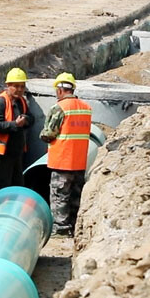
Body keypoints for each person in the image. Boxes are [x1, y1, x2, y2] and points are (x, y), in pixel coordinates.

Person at [39, 73, 92, 236]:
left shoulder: (59, 108)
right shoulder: (86, 108)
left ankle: (61, 229)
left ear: (60, 90)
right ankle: (75, 226)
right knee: (76, 195)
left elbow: (49, 133)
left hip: (62, 160)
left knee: (60, 195)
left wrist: (42, 135)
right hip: (80, 160)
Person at [0, 67, 34, 189]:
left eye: (22, 86)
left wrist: (26, 120)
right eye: (16, 86)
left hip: (16, 153)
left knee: (17, 185)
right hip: (2, 155)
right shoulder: (1, 102)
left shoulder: (21, 101)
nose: (19, 90)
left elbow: (31, 118)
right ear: (8, 85)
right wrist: (15, 124)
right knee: (3, 186)